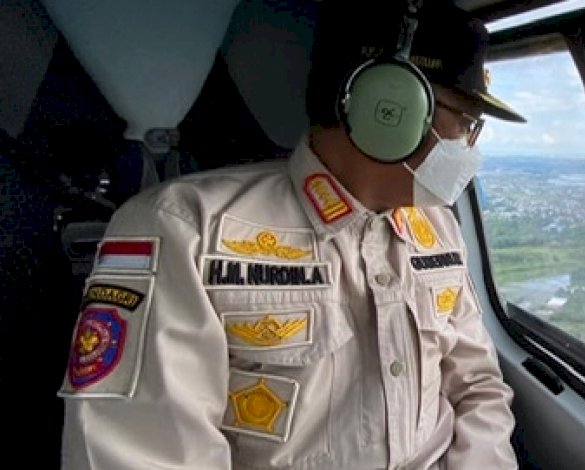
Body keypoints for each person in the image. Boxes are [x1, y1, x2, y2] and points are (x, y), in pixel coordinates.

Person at [57, 1, 524, 469]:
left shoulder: (439, 229)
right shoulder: (183, 228)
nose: (470, 147)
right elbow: (140, 454)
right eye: (466, 123)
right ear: (390, 106)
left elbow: (478, 385)